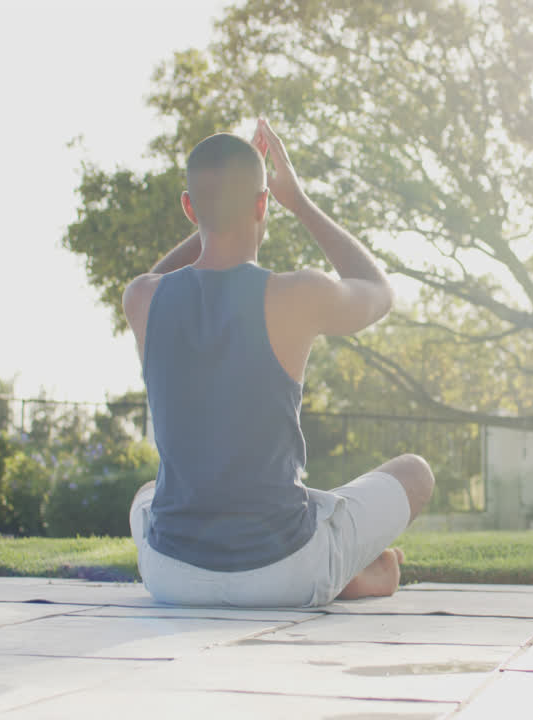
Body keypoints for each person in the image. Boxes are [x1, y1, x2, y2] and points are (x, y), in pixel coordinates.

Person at [122, 117, 434, 607]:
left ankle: (341, 566)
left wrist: (211, 215)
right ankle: (352, 569)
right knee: (415, 472)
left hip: (172, 576)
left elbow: (154, 277)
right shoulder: (296, 293)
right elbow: (379, 291)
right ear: (263, 204)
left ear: (188, 208)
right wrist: (300, 202)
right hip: (283, 573)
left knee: (146, 492)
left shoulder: (141, 299)